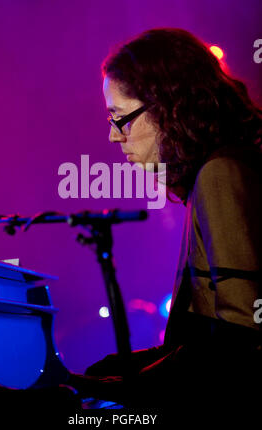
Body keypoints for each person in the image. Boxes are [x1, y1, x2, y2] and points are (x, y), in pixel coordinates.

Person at [62, 28, 262, 411]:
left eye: (120, 118)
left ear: (168, 106)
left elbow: (241, 338)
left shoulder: (221, 173)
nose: (112, 136)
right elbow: (205, 339)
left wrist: (124, 384)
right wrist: (127, 370)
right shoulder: (216, 171)